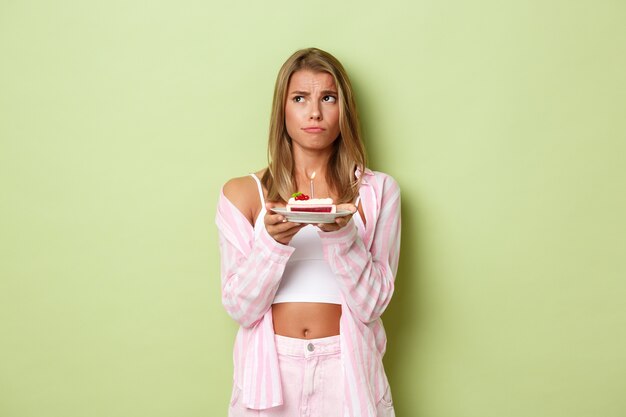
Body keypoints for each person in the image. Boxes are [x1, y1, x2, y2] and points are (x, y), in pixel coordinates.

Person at [215, 47, 401, 417]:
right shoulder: (242, 195)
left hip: (347, 372)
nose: (314, 112)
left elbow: (373, 305)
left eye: (328, 98)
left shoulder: (378, 192)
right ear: (282, 110)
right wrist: (272, 243)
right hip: (270, 374)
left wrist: (341, 236)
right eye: (300, 98)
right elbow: (240, 307)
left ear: (343, 109)